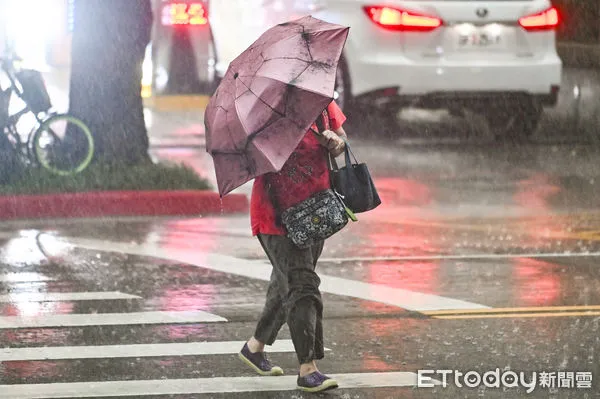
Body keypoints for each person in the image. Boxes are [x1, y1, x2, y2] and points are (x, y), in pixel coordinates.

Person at [239, 100, 347, 392]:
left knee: (285, 281)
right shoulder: (263, 108)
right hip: (276, 215)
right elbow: (248, 157)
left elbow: (341, 140)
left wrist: (335, 142)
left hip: (315, 211)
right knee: (302, 286)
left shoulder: (321, 101)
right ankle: (307, 368)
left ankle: (255, 346)